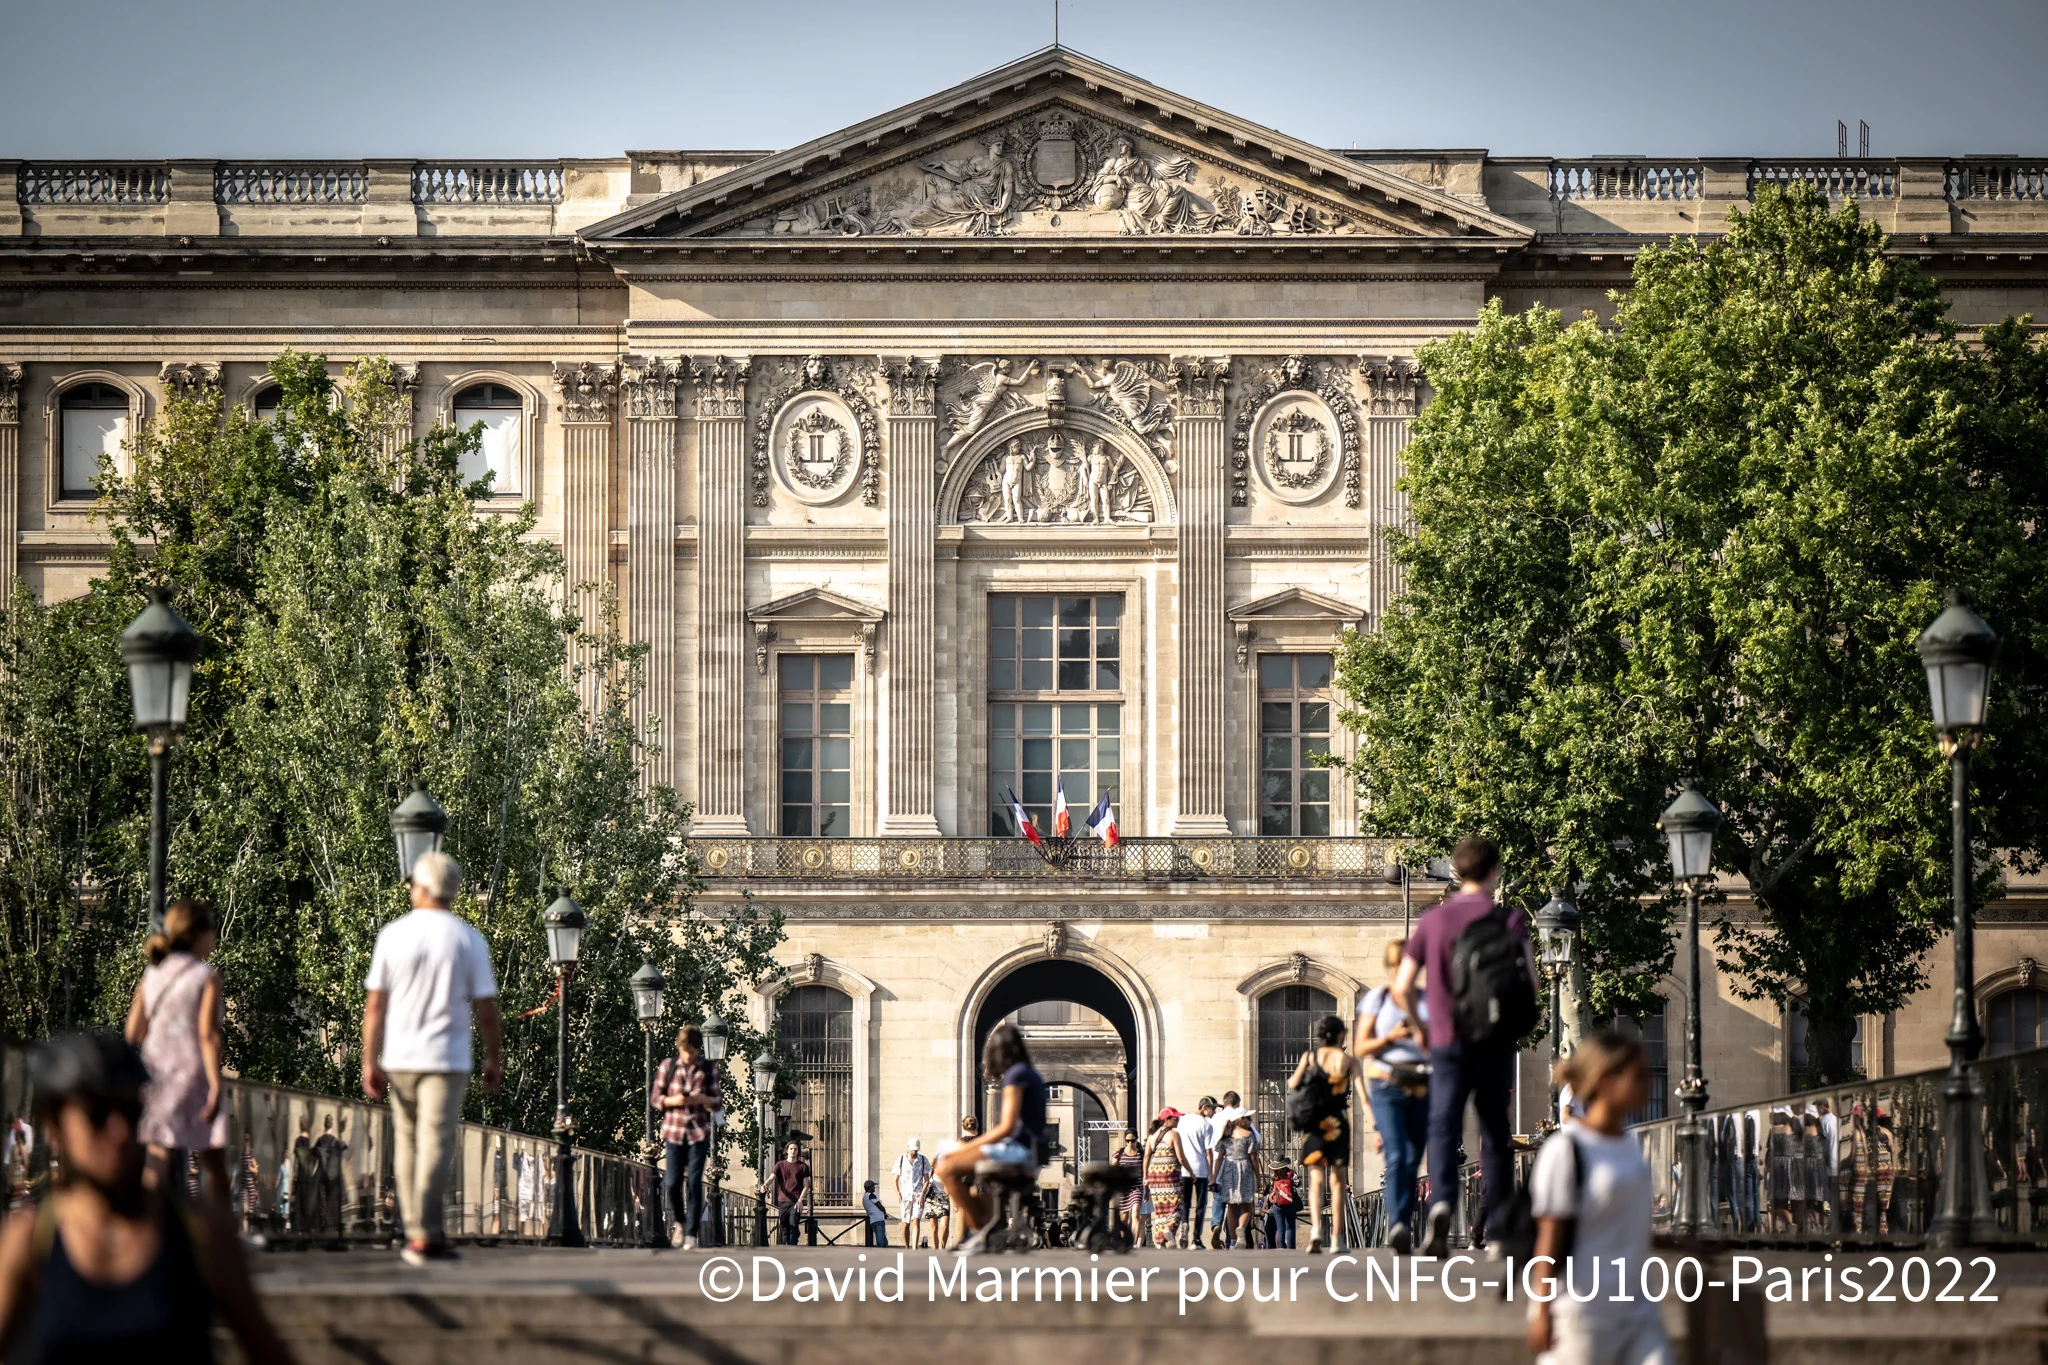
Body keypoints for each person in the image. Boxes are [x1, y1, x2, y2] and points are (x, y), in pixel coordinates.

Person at [0, 1031, 293, 1363]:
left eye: (131, 1111)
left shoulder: (200, 1234)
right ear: (54, 1124)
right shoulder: (29, 1242)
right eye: (98, 1113)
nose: (120, 1131)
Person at [1393, 835, 1535, 1258]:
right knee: (1494, 1131)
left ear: (1456, 870)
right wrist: (1518, 1028)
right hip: (1494, 1041)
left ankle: (1441, 1204)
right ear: (1494, 871)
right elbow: (1530, 982)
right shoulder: (1509, 919)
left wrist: (1422, 1027)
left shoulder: (1433, 921)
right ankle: (1499, 1230)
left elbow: (1402, 987)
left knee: (1442, 1124)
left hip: (1446, 1041)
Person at [360, 850, 502, 1267]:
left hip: (400, 1056)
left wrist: (370, 1059)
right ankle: (427, 1232)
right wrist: (493, 1056)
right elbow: (487, 1009)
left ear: (422, 888)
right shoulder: (468, 939)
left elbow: (375, 1006)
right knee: (437, 1142)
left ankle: (416, 1231)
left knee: (406, 1142)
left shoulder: (393, 935)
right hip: (446, 1058)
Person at [1525, 1031, 1669, 1365]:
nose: (1648, 1084)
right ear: (1605, 1080)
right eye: (1638, 1076)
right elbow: (1549, 1238)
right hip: (1583, 1315)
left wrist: (1685, 1244)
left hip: (1639, 1311)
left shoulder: (1629, 1145)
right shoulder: (1565, 1151)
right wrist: (1541, 1310)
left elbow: (1624, 1226)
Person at [124, 899, 231, 1208]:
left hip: (156, 1075)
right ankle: (221, 1231)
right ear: (198, 934)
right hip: (193, 1076)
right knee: (214, 1161)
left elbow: (133, 1032)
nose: (215, 936)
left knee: (157, 1158)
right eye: (213, 929)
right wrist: (215, 1085)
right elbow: (208, 1036)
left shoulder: (152, 974)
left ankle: (149, 1227)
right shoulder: (205, 976)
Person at [934, 1023, 1048, 1255]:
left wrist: (966, 1148)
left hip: (1018, 1150)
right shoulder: (1028, 1073)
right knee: (972, 1181)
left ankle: (981, 1230)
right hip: (1027, 1149)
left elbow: (1006, 1127)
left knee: (946, 1168)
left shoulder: (1016, 1075)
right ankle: (983, 1228)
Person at [1357, 937, 1431, 1254]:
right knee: (1397, 1154)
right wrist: (1392, 1036)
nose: (1409, 969)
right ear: (1392, 966)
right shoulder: (1379, 998)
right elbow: (1361, 1047)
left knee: (1413, 1158)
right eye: (1403, 963)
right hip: (1386, 1084)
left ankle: (1405, 1223)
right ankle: (1398, 1224)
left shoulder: (1428, 1000)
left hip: (1422, 1084)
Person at [1288, 1014, 1357, 1253]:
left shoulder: (1310, 1056)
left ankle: (1316, 1230)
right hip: (1337, 1122)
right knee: (1338, 1180)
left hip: (1314, 1123)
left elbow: (1292, 1083)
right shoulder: (1348, 1060)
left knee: (1315, 1178)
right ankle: (1337, 1238)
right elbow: (1364, 1094)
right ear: (1341, 1035)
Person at [653, 1023, 721, 1250]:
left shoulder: (708, 1069)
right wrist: (676, 1101)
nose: (688, 1056)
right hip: (673, 1131)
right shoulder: (668, 1066)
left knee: (694, 1182)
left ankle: (691, 1234)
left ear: (697, 1049)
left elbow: (717, 1102)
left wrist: (701, 1099)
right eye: (684, 1052)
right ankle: (681, 1223)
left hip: (698, 1133)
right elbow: (655, 1099)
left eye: (691, 1052)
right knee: (671, 1182)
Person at [1206, 1091, 1260, 1246]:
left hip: (1223, 1164)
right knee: (1243, 1203)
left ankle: (1217, 1225)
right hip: (1244, 1167)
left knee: (1223, 1201)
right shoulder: (1246, 1129)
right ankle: (1236, 1235)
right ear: (1237, 1104)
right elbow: (1256, 1146)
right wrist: (1258, 1178)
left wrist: (1212, 1176)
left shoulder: (1216, 1120)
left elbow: (1213, 1148)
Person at [1141, 1111, 1187, 1248]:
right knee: (1176, 1207)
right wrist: (1191, 1172)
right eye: (1176, 1118)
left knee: (1160, 1211)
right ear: (1167, 1119)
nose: (1178, 1120)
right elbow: (1180, 1158)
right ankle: (1169, 1230)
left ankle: (1160, 1241)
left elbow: (1146, 1157)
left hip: (1155, 1176)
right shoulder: (1173, 1134)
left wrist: (1145, 1177)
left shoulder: (1152, 1136)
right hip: (1170, 1175)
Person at [1175, 1098, 1216, 1249]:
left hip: (1185, 1168)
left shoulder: (1183, 1120)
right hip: (1201, 1169)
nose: (1214, 1112)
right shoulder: (1207, 1125)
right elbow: (1208, 1152)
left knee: (1185, 1202)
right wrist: (1211, 1176)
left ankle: (1185, 1222)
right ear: (1204, 1107)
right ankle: (1196, 1239)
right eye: (1212, 1109)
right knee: (1200, 1205)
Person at [890, 1138, 931, 1248]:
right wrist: (898, 1194)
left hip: (918, 1195)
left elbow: (926, 1179)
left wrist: (922, 1195)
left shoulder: (923, 1160)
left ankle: (914, 1248)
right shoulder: (900, 1160)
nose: (914, 1152)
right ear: (908, 1148)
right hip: (905, 1195)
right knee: (906, 1223)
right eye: (912, 1149)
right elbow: (895, 1179)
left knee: (916, 1221)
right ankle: (907, 1247)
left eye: (916, 1150)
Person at [771, 1142, 811, 1246]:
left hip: (795, 1202)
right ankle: (788, 1246)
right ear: (787, 1151)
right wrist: (765, 1185)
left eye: (795, 1149)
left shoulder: (803, 1166)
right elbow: (772, 1177)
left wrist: (800, 1200)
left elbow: (806, 1185)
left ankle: (793, 1247)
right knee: (785, 1229)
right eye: (791, 1149)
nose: (793, 1151)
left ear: (798, 1152)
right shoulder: (780, 1165)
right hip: (783, 1202)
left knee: (793, 1225)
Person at [1111, 1130, 1144, 1244]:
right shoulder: (1119, 1153)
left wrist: (1148, 1189)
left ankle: (1133, 1243)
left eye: (1133, 1140)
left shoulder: (1141, 1154)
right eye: (1128, 1141)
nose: (1130, 1143)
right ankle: (1124, 1241)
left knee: (1135, 1214)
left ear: (1137, 1139)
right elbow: (1112, 1170)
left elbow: (1146, 1170)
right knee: (1124, 1218)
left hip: (1137, 1187)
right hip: (1123, 1188)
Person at [1264, 1164, 1298, 1249]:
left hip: (1277, 1204)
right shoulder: (1291, 1173)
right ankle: (1291, 1250)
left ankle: (1281, 1249)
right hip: (1290, 1203)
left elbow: (1271, 1187)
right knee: (1290, 1228)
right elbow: (1298, 1183)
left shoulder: (1274, 1174)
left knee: (1280, 1229)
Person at [861, 1181, 889, 1246]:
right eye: (873, 1186)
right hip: (878, 1220)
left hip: (874, 1220)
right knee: (881, 1242)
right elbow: (880, 1206)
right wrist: (885, 1213)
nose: (874, 1187)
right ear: (870, 1187)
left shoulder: (865, 1196)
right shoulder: (871, 1196)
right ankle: (880, 1252)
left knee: (883, 1241)